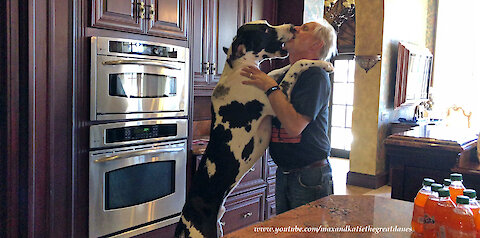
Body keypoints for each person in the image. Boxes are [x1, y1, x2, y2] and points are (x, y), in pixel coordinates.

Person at [241, 19, 337, 214]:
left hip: (310, 175)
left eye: (305, 29)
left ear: (316, 44)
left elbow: (294, 126)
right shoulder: (286, 75)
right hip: (286, 172)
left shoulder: (315, 76)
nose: (296, 28)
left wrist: (269, 86)